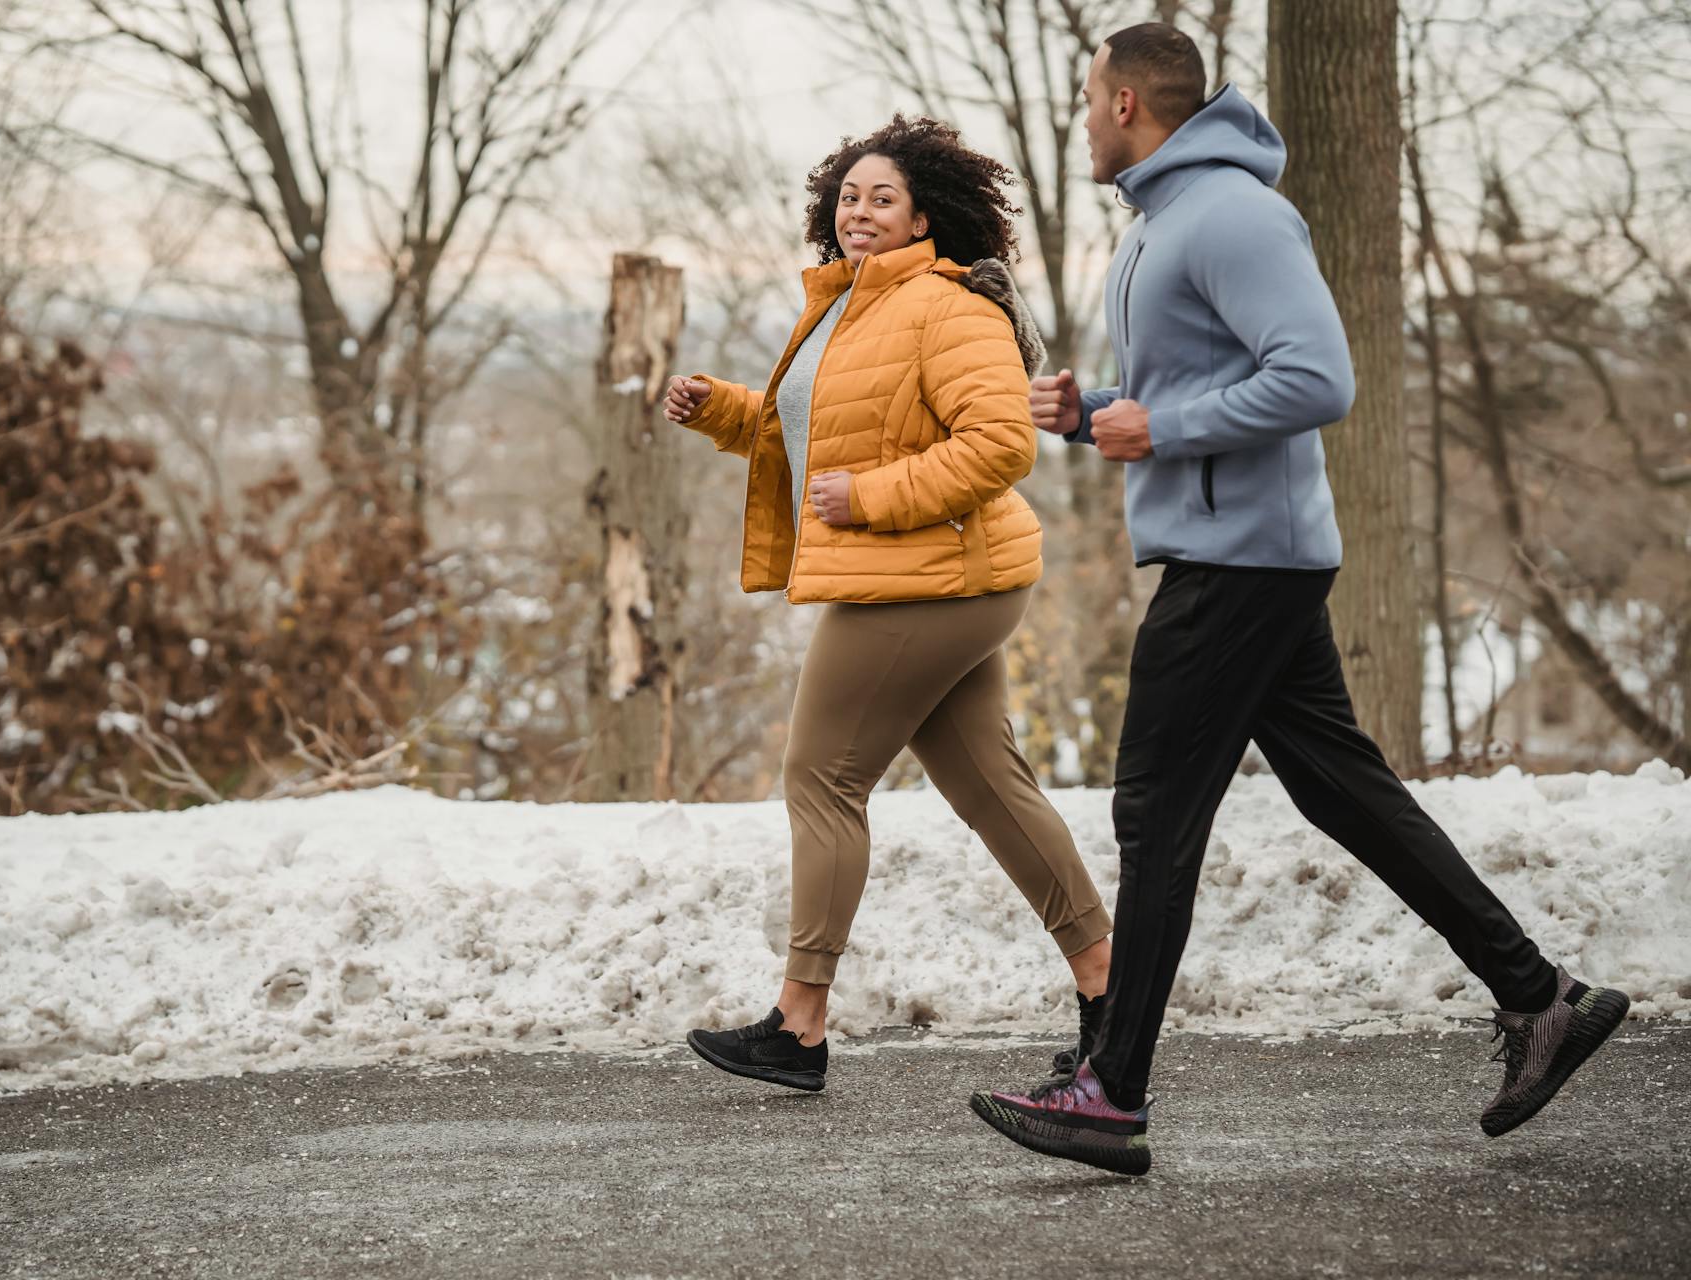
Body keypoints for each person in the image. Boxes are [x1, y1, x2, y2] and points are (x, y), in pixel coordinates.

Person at [967, 23, 1629, 1175]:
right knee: (1344, 792)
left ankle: (1111, 1091)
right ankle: (1540, 997)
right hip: (1234, 548)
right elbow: (1206, 381)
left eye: (1086, 99)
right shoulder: (1170, 221)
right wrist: (1099, 412)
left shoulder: (1232, 214)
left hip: (1242, 561)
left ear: (1127, 102)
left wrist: (1161, 425)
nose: (1079, 120)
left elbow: (1318, 375)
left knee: (1154, 811)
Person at [669, 116, 1114, 1093]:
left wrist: (870, 498)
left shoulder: (948, 306)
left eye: (883, 198)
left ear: (926, 218)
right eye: (849, 195)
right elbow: (817, 439)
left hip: (925, 576)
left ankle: (799, 1024)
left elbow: (1001, 444)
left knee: (821, 777)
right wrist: (720, 410)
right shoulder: (845, 310)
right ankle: (1108, 989)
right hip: (933, 577)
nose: (859, 210)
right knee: (987, 786)